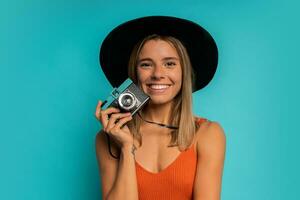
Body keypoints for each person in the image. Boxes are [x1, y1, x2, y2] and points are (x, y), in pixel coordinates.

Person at [95, 16, 226, 200]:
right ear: (134, 73)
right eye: (146, 64)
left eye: (169, 64)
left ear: (184, 72)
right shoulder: (108, 138)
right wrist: (126, 147)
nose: (157, 74)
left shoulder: (208, 134)